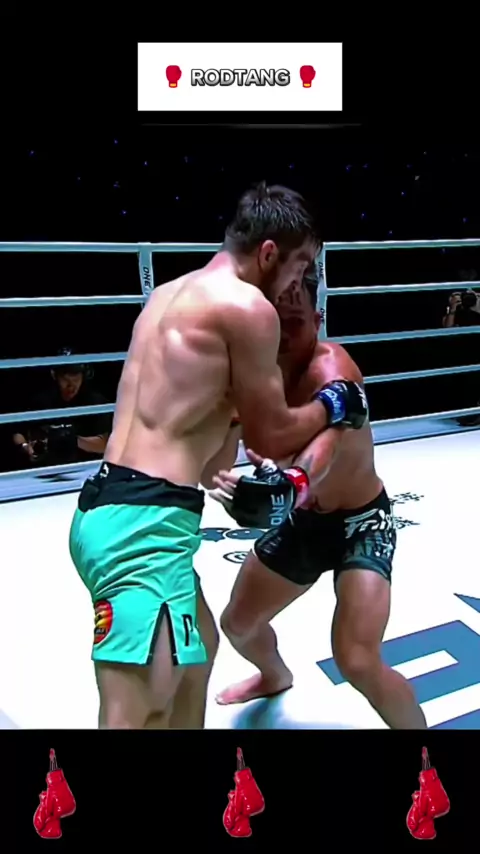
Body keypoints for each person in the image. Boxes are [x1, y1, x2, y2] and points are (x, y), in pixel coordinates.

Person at [69, 183, 367, 730]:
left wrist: (231, 436)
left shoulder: (170, 294)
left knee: (198, 654)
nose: (299, 284)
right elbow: (273, 436)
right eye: (300, 267)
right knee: (134, 713)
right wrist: (335, 403)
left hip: (115, 508)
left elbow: (207, 460)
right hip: (144, 531)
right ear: (269, 253)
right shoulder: (247, 308)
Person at [212, 266, 427, 730]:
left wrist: (293, 482)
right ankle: (274, 675)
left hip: (361, 523)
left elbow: (326, 443)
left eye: (296, 322)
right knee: (238, 625)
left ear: (318, 318)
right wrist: (228, 464)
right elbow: (217, 458)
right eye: (275, 322)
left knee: (357, 659)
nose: (285, 336)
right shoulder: (251, 378)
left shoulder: (333, 370)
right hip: (306, 523)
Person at [12, 349, 111, 468]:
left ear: (83, 376)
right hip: (47, 468)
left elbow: (104, 445)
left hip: (85, 468)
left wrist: (69, 440)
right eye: (65, 378)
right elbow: (18, 433)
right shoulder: (41, 401)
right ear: (55, 375)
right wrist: (25, 447)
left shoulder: (95, 402)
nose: (71, 385)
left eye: (75, 377)